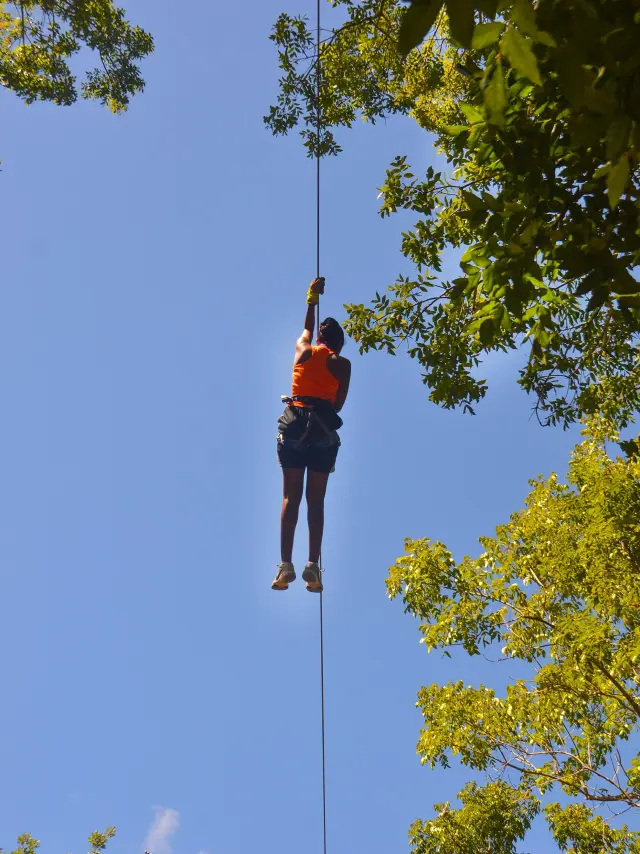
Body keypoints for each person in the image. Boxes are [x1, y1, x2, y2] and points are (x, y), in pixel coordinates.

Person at [272, 277, 351, 593]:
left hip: (293, 426)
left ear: (319, 338)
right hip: (321, 432)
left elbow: (306, 328)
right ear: (339, 345)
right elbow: (339, 404)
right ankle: (312, 566)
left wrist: (312, 297)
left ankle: (285, 565)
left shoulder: (303, 350)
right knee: (315, 500)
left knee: (291, 496)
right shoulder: (342, 364)